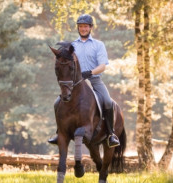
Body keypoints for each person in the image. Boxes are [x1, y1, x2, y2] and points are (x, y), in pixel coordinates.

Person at [48, 14, 120, 148]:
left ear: (90, 28)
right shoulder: (72, 46)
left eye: (85, 26)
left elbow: (103, 66)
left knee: (108, 101)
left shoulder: (98, 45)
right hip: (76, 83)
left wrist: (90, 72)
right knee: (57, 102)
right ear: (78, 28)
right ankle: (59, 132)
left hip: (94, 80)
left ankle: (111, 135)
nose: (83, 29)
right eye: (80, 26)